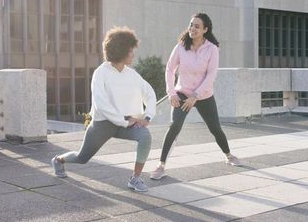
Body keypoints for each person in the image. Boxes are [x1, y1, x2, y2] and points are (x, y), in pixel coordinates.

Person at [51, 26, 156, 192]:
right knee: (82, 157)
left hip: (127, 123)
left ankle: (135, 179)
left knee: (145, 136)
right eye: (130, 50)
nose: (133, 54)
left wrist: (147, 117)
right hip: (103, 125)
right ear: (121, 51)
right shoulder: (101, 73)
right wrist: (124, 121)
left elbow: (149, 94)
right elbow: (102, 104)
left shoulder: (133, 74)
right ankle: (58, 160)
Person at [150, 13, 241, 180]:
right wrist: (171, 93)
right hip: (182, 93)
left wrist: (196, 96)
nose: (192, 28)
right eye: (191, 25)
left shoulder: (212, 49)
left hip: (204, 96)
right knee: (174, 126)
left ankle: (228, 155)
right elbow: (170, 69)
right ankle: (161, 166)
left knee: (215, 128)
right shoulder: (180, 47)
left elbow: (211, 75)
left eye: (197, 26)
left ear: (205, 30)